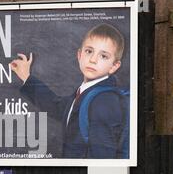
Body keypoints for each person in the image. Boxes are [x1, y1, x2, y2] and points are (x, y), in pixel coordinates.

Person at [10, 23, 128, 159]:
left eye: (103, 56)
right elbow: (57, 106)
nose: (93, 60)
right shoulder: (86, 92)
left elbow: (102, 154)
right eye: (89, 51)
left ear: (114, 66)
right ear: (79, 55)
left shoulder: (104, 101)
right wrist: (26, 77)